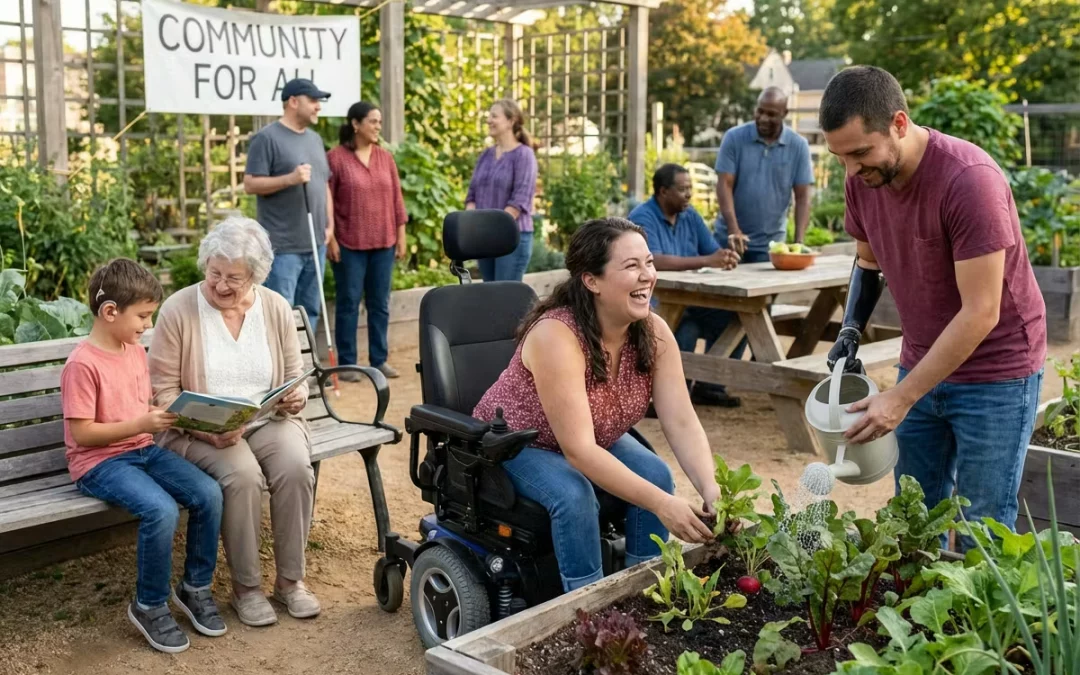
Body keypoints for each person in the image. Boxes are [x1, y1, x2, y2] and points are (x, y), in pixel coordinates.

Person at [819, 66, 1047, 549]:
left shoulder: (969, 181)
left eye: (860, 153)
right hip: (922, 359)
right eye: (840, 157)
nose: (852, 171)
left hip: (997, 372)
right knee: (913, 519)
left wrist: (900, 399)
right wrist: (851, 330)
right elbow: (867, 261)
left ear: (899, 124)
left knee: (981, 530)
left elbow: (981, 312)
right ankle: (921, 625)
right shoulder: (862, 179)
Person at [473, 218, 724, 592]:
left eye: (649, 262)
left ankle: (649, 590)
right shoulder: (557, 335)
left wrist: (712, 490)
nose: (647, 276)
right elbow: (580, 452)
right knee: (573, 495)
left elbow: (682, 421)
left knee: (656, 474)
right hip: (517, 442)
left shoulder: (654, 333)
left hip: (592, 434)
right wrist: (663, 505)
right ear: (592, 280)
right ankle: (587, 604)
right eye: (631, 266)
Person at [149, 217, 322, 627]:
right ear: (205, 264)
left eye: (235, 279)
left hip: (266, 420)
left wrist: (296, 397)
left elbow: (293, 378)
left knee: (296, 466)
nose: (222, 286)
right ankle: (247, 589)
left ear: (256, 277)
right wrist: (203, 427)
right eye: (215, 274)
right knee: (242, 476)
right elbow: (164, 393)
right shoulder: (178, 310)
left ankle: (290, 582)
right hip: (197, 430)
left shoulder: (275, 307)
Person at [61, 259, 225, 653]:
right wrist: (141, 423)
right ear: (110, 311)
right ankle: (149, 604)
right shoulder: (82, 364)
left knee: (210, 493)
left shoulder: (133, 350)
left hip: (142, 450)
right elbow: (83, 433)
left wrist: (176, 412)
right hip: (98, 463)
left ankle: (194, 587)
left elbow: (140, 406)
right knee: (161, 510)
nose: (147, 326)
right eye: (143, 316)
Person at [627, 164, 742, 409]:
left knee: (736, 316)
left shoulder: (689, 215)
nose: (688, 194)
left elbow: (711, 251)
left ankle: (710, 385)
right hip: (654, 301)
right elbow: (653, 259)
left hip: (694, 299)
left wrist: (724, 257)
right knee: (685, 329)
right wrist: (706, 260)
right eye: (682, 189)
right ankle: (666, 398)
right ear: (662, 192)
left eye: (690, 188)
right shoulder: (642, 217)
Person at [243, 78, 334, 331]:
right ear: (293, 102)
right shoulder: (266, 138)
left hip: (316, 244)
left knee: (310, 312)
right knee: (280, 316)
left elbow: (324, 184)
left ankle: (306, 368)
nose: (318, 107)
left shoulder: (315, 139)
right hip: (283, 248)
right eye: (313, 100)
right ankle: (285, 370)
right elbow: (250, 184)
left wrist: (330, 225)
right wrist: (290, 179)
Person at [327, 101, 408, 380]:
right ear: (355, 124)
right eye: (372, 121)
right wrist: (331, 239)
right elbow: (328, 201)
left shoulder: (385, 158)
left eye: (379, 122)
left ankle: (379, 360)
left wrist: (401, 235)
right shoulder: (335, 158)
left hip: (384, 242)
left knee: (380, 303)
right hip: (348, 244)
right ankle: (348, 363)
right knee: (348, 302)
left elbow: (397, 198)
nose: (377, 127)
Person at [715, 86, 814, 260]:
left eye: (771, 114)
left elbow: (802, 196)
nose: (763, 118)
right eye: (760, 111)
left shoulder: (798, 146)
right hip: (729, 241)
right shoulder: (734, 138)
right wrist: (734, 230)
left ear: (784, 113)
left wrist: (799, 243)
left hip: (771, 246)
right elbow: (725, 184)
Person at [465, 99, 539, 281]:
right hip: (485, 238)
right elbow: (472, 194)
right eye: (488, 116)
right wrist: (473, 223)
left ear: (511, 121)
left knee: (506, 300)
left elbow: (519, 201)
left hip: (512, 237)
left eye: (494, 116)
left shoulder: (524, 155)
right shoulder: (486, 155)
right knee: (490, 297)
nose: (489, 120)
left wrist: (491, 227)